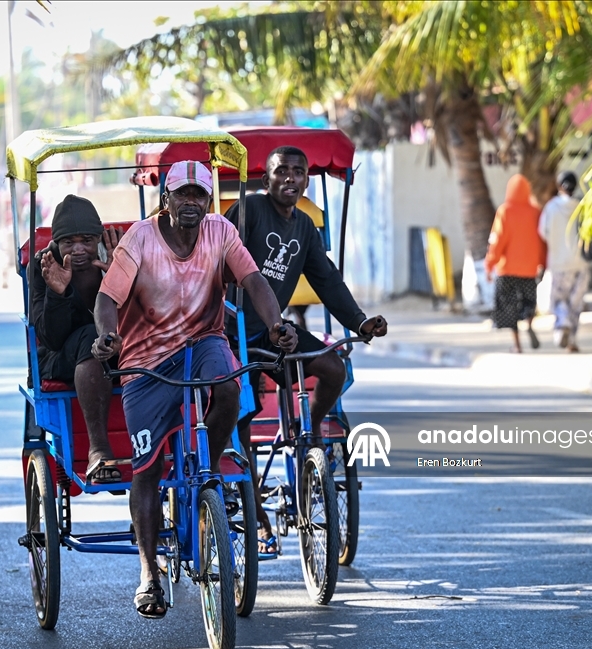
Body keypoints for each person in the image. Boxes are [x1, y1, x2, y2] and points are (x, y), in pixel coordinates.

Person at [92, 160, 297, 619]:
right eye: (181, 195)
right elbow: (107, 299)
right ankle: (149, 574)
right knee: (146, 468)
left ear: (208, 202)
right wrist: (108, 336)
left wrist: (276, 323)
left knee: (228, 386)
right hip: (145, 359)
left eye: (199, 196)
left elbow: (253, 279)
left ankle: (213, 471)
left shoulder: (220, 231)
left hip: (203, 342)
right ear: (165, 199)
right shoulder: (140, 239)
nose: (190, 204)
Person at [223, 146, 388, 558]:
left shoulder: (306, 228)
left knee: (333, 367)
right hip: (232, 332)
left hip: (277, 331)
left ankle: (309, 428)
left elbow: (326, 280)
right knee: (242, 411)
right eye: (282, 171)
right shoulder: (246, 212)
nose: (290, 179)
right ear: (266, 179)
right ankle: (253, 508)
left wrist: (360, 322)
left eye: (299, 172)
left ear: (306, 181)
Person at [28, 194, 122, 483]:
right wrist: (58, 293)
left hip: (118, 349)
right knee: (91, 336)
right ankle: (99, 449)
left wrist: (121, 278)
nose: (79, 249)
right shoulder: (44, 263)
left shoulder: (115, 255)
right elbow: (50, 338)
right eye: (69, 242)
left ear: (98, 238)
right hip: (60, 358)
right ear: (57, 243)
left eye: (87, 240)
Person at [485, 174, 546, 353]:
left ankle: (517, 345)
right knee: (528, 302)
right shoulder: (536, 212)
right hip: (529, 269)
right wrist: (543, 262)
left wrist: (490, 264)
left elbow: (498, 240)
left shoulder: (505, 211)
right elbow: (542, 242)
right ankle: (528, 321)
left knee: (509, 308)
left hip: (507, 270)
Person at [538, 171, 589, 352]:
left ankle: (562, 323)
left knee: (559, 300)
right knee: (576, 303)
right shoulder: (582, 206)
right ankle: (572, 341)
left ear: (559, 186)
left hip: (558, 263)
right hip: (580, 263)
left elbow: (543, 232)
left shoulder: (551, 208)